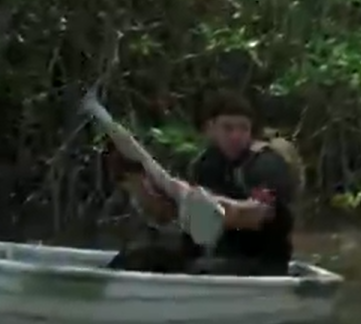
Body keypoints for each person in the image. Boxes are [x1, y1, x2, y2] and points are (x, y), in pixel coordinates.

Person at [107, 90, 302, 277]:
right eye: (228, 128)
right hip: (213, 256)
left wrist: (203, 202)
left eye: (244, 128)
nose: (236, 136)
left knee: (201, 269)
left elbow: (256, 215)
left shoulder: (266, 164)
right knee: (133, 257)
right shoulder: (205, 164)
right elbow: (173, 217)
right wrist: (140, 185)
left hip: (260, 262)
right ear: (210, 128)